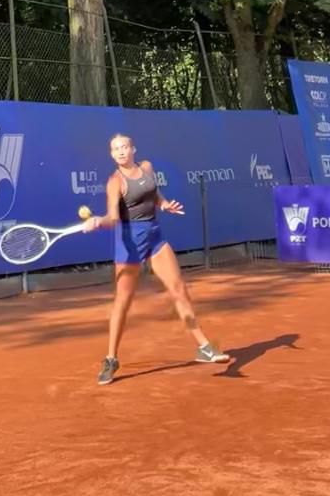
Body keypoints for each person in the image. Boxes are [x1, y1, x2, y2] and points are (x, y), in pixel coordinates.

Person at [83, 132, 229, 385]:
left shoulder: (147, 167)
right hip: (129, 242)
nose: (121, 151)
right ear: (111, 154)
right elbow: (113, 218)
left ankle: (204, 347)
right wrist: (98, 222)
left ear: (133, 149)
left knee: (179, 289)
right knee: (123, 302)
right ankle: (111, 358)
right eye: (116, 149)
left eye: (125, 147)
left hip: (154, 236)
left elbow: (153, 192)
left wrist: (163, 205)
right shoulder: (115, 182)